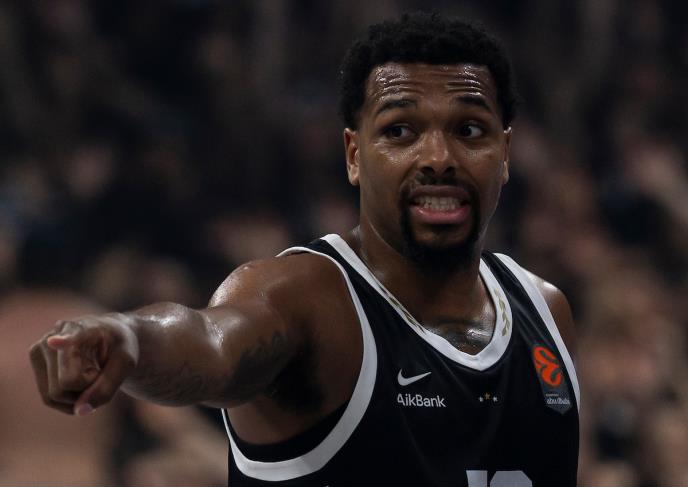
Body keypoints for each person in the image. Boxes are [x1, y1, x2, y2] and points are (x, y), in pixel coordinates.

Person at [30, 12, 579, 486]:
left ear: (505, 153)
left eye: (469, 130)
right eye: (400, 131)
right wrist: (129, 338)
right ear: (354, 155)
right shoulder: (309, 299)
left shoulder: (546, 313)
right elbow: (208, 340)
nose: (438, 157)